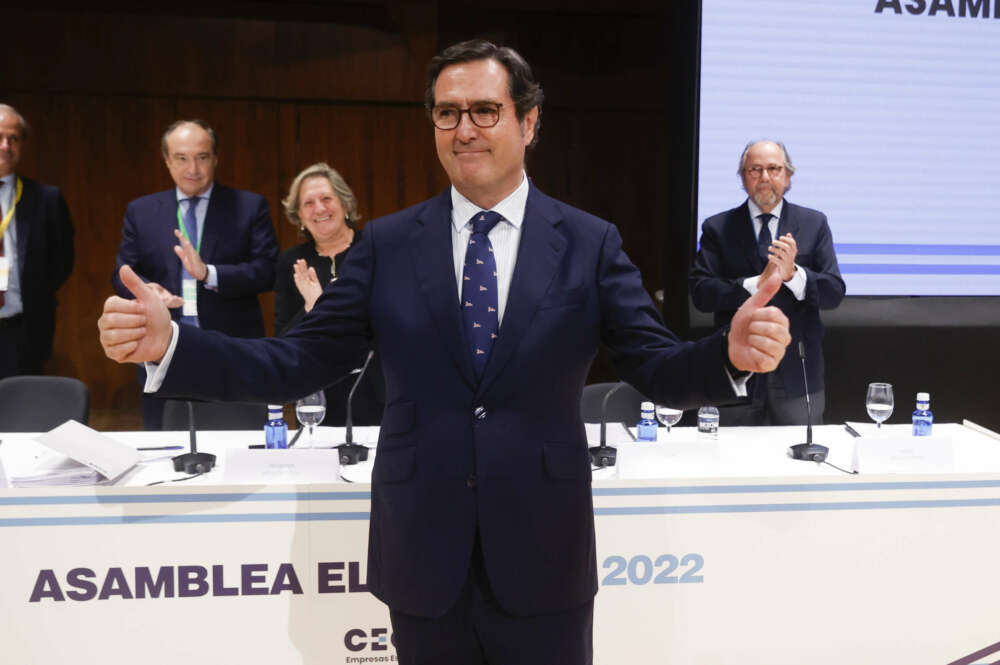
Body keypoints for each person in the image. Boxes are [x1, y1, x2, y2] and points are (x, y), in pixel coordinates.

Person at [99, 41, 791, 664]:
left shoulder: (588, 242)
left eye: (486, 110)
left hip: (544, 556)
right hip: (424, 557)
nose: (464, 128)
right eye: (446, 113)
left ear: (529, 122)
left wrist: (726, 354)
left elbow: (657, 366)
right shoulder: (388, 245)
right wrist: (174, 346)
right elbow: (295, 360)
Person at [111, 119, 279, 429]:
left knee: (237, 441)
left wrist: (209, 274)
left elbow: (267, 271)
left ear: (215, 159)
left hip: (231, 346)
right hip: (163, 346)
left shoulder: (249, 206)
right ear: (166, 160)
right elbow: (123, 272)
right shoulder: (142, 211)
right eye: (182, 158)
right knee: (165, 444)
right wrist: (151, 291)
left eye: (202, 157)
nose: (193, 168)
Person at [690, 139, 845, 425]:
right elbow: (701, 292)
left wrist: (793, 275)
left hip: (798, 373)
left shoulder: (814, 223)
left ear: (787, 176)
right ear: (743, 178)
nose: (764, 178)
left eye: (773, 169)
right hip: (737, 371)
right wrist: (754, 285)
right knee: (732, 459)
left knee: (801, 461)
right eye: (755, 170)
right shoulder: (717, 227)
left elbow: (834, 292)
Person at [274, 162, 383, 425]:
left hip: (377, 389)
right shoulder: (292, 261)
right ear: (299, 216)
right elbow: (284, 339)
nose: (319, 208)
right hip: (318, 397)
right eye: (308, 203)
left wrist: (322, 306)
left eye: (326, 198)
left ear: (345, 205)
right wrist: (312, 308)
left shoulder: (376, 250)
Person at [0, 104, 74, 378]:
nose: (5, 146)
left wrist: (35, 291)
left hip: (24, 328)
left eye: (13, 138)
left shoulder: (46, 198)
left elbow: (63, 260)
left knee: (20, 410)